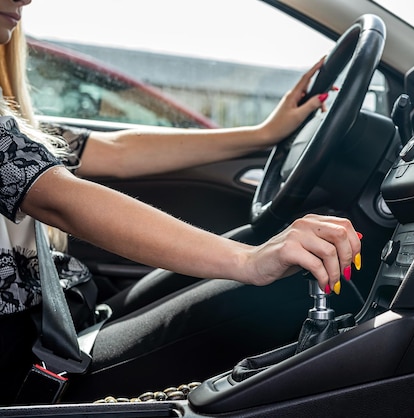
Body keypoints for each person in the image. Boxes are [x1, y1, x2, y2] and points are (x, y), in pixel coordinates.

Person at [0, 0, 361, 404]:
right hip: (30, 357)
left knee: (256, 241)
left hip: (62, 313)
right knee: (280, 288)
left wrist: (261, 134)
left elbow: (115, 151)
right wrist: (248, 261)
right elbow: (59, 198)